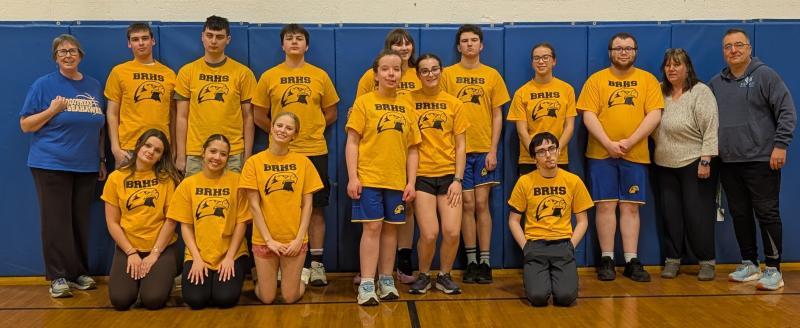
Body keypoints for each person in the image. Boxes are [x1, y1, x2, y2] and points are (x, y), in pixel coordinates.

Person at [709, 28, 797, 290]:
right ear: (723, 52)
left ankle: (774, 269)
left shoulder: (765, 75)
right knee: (740, 214)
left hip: (762, 159)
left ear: (748, 48)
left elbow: (787, 112)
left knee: (767, 213)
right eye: (728, 47)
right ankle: (749, 263)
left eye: (738, 45)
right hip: (729, 162)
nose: (733, 50)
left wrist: (780, 145)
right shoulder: (716, 83)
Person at [252, 24, 340, 286]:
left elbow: (332, 112)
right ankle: (282, 263)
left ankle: (316, 265)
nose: (294, 42)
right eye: (289, 38)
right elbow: (258, 115)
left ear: (306, 45)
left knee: (316, 209)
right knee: (281, 207)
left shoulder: (320, 76)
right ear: (282, 45)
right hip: (280, 155)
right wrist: (283, 134)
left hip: (314, 151)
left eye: (299, 38)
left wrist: (308, 131)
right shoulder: (269, 76)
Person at [20, 34, 106, 298]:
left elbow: (100, 128)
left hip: (86, 165)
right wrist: (52, 111)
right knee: (56, 221)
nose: (68, 55)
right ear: (55, 57)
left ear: (80, 55)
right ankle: (58, 277)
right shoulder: (44, 85)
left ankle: (78, 272)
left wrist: (101, 159)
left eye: (72, 51)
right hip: (51, 163)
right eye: (62, 52)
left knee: (80, 221)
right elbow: (25, 125)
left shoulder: (93, 85)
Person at [577, 32, 663, 282]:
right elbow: (588, 115)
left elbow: (654, 115)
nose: (623, 52)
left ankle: (631, 260)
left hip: (635, 154)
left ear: (635, 51)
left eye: (628, 48)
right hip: (601, 154)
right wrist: (608, 143)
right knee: (604, 206)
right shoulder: (597, 80)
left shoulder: (647, 80)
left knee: (630, 208)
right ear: (610, 52)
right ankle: (606, 259)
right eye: (618, 48)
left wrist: (628, 142)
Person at [346, 50, 421, 305]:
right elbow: (353, 142)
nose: (392, 73)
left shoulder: (407, 105)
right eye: (386, 69)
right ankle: (367, 282)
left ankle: (386, 279)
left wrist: (411, 182)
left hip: (397, 180)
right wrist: (352, 177)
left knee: (391, 231)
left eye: (397, 69)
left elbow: (413, 148)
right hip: (369, 178)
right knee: (373, 228)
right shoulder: (364, 102)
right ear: (375, 74)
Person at [440, 24, 510, 284]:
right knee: (466, 205)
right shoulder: (447, 74)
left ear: (481, 46)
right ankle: (470, 261)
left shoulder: (492, 75)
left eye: (474, 40)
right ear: (458, 47)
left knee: (482, 204)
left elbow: (497, 115)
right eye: (465, 41)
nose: (469, 44)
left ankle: (485, 261)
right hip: (458, 152)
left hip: (483, 149)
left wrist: (493, 149)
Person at [240, 112, 322, 304]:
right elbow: (253, 205)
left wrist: (299, 239)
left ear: (294, 135)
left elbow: (308, 205)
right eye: (279, 125)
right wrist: (269, 241)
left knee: (289, 297)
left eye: (288, 128)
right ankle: (260, 275)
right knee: (267, 298)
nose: (282, 130)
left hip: (293, 239)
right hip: (265, 240)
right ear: (271, 127)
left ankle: (300, 277)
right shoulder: (253, 162)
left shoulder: (303, 163)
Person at [652, 48, 719, 281]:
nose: (671, 69)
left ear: (687, 67)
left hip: (695, 163)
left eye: (677, 64)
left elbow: (711, 127)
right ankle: (672, 260)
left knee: (696, 214)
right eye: (668, 65)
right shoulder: (659, 92)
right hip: (664, 164)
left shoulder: (700, 92)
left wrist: (706, 159)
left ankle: (707, 261)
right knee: (671, 215)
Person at [405, 53, 469, 295]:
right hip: (421, 176)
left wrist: (458, 180)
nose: (430, 74)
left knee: (452, 231)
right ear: (418, 74)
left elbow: (461, 145)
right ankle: (423, 275)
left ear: (441, 71)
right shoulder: (408, 101)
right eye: (425, 70)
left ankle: (444, 275)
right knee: (429, 233)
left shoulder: (454, 104)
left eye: (434, 69)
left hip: (449, 176)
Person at [508, 132, 592, 307]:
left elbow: (583, 221)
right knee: (537, 298)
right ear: (534, 158)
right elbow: (513, 220)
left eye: (551, 148)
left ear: (559, 151)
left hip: (563, 246)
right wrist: (526, 247)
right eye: (541, 151)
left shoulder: (573, 181)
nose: (548, 155)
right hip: (535, 246)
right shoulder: (525, 182)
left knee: (566, 298)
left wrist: (571, 246)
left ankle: (560, 280)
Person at [102, 129, 182, 310]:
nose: (150, 151)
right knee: (120, 300)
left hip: (160, 248)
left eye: (157, 150)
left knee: (153, 300)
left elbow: (170, 221)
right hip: (128, 248)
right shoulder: (116, 178)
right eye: (148, 145)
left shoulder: (167, 180)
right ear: (138, 145)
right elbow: (112, 222)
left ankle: (163, 279)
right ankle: (140, 282)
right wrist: (131, 252)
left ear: (161, 157)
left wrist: (154, 254)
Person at [167, 134, 250, 309]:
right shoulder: (188, 184)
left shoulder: (237, 182)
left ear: (228, 158)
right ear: (203, 153)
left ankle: (222, 281)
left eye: (223, 154)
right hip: (199, 254)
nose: (217, 158)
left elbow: (241, 223)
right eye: (213, 151)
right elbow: (186, 226)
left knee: (224, 299)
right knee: (195, 301)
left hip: (231, 253)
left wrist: (229, 258)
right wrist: (196, 258)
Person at [175, 15, 257, 176]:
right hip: (196, 151)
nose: (213, 41)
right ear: (202, 37)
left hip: (233, 152)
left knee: (231, 200)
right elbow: (181, 117)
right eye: (209, 35)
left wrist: (247, 156)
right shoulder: (187, 72)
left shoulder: (243, 73)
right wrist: (180, 154)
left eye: (219, 37)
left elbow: (248, 118)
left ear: (228, 39)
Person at [106, 22, 177, 168]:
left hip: (160, 148)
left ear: (153, 41)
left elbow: (173, 114)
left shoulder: (169, 74)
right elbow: (112, 113)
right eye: (135, 39)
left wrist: (174, 149)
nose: (141, 43)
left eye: (145, 38)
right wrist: (115, 148)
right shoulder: (119, 72)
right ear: (129, 44)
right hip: (129, 147)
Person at [507, 43, 576, 175]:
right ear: (532, 62)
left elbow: (569, 127)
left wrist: (554, 152)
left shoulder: (567, 90)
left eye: (545, 57)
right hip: (530, 159)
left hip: (558, 158)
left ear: (554, 61)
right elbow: (522, 131)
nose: (541, 61)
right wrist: (536, 153)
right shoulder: (521, 92)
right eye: (536, 58)